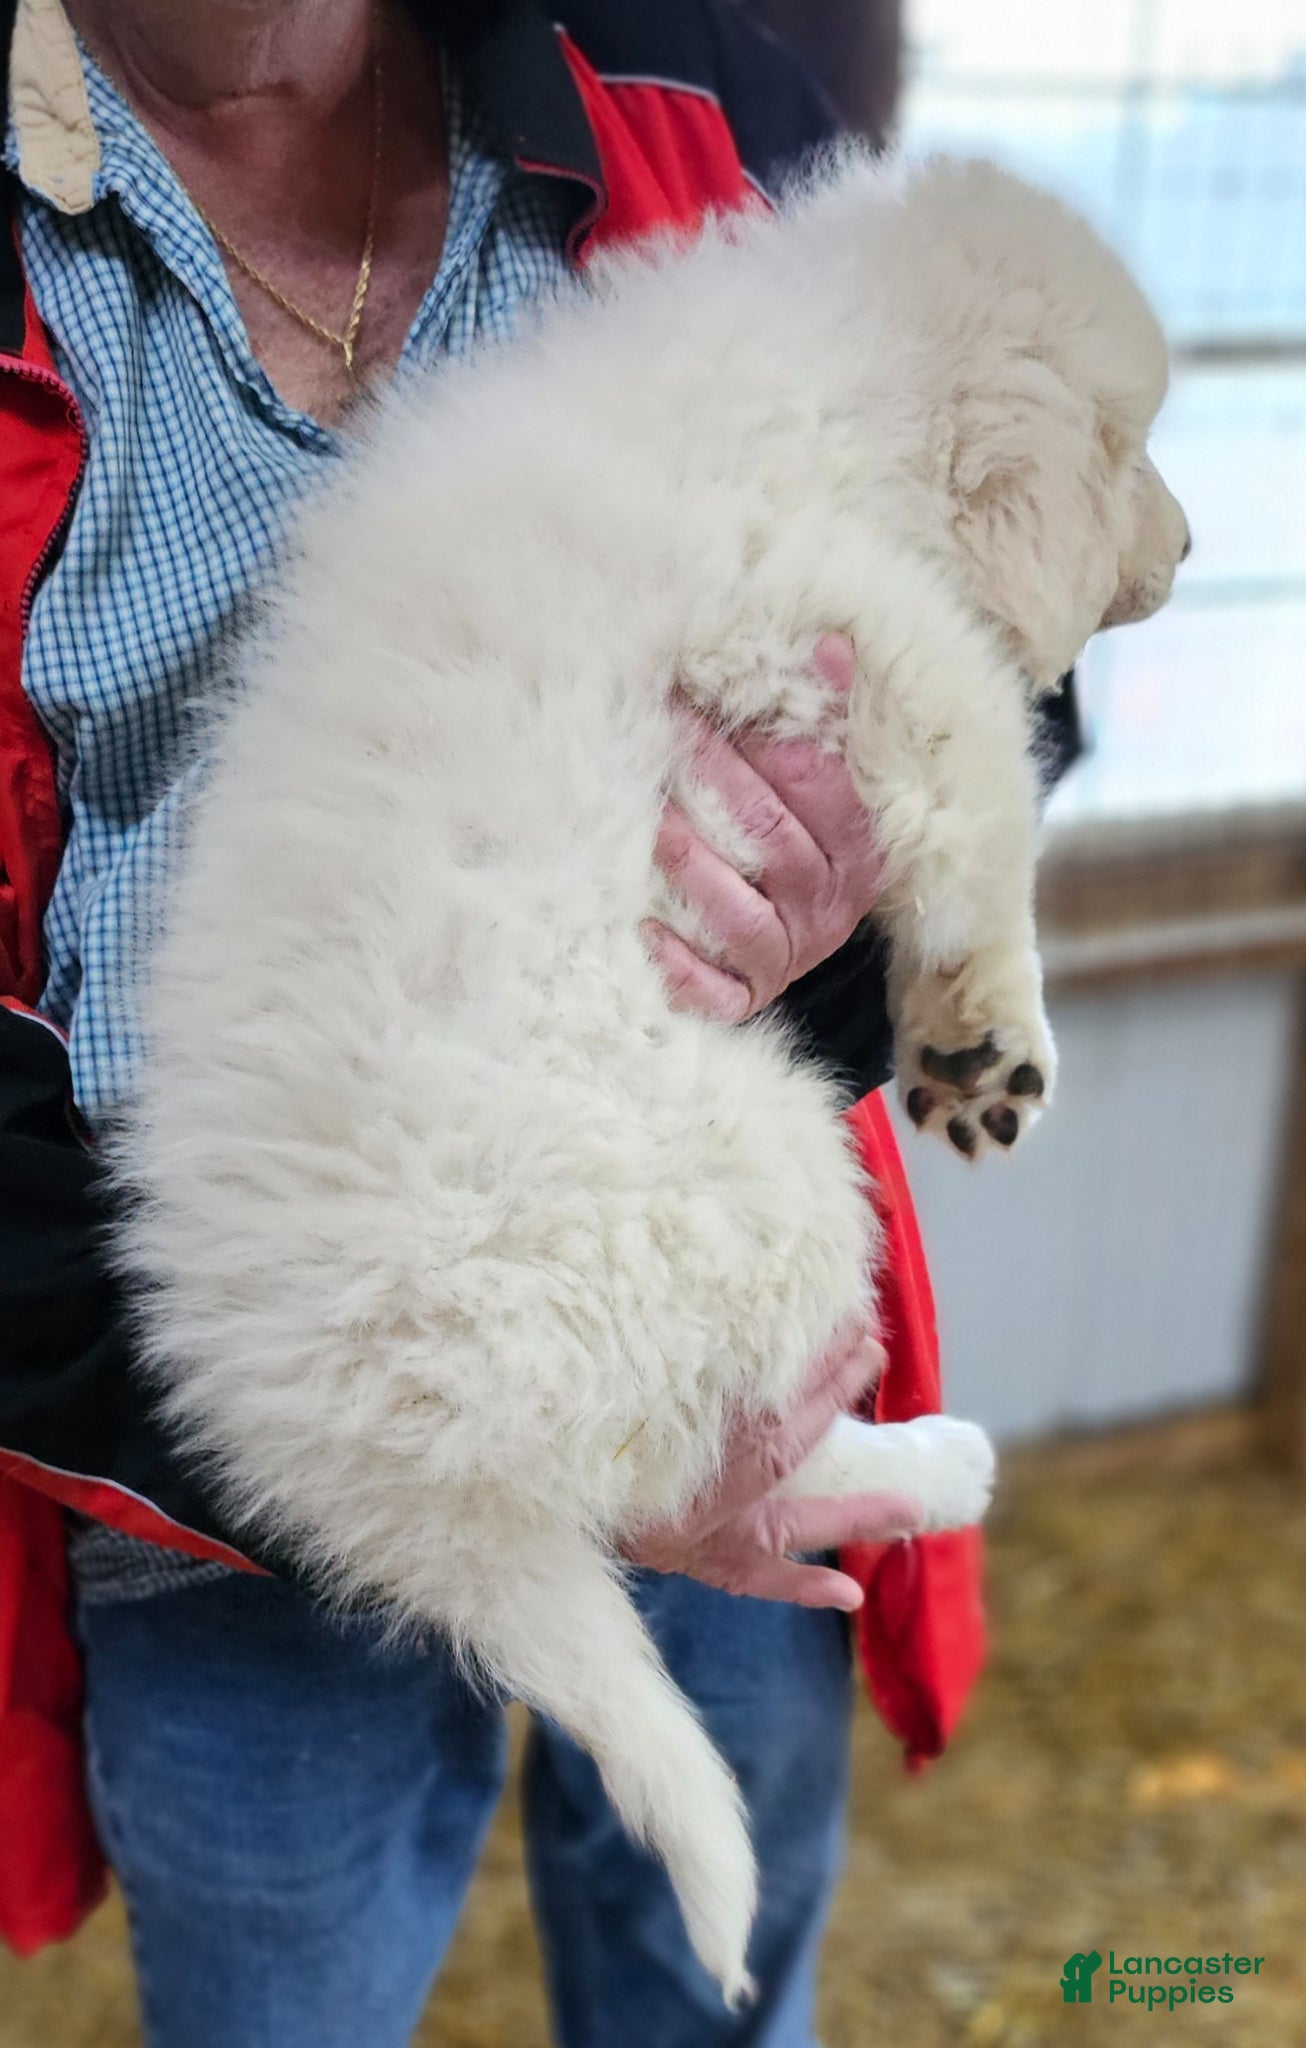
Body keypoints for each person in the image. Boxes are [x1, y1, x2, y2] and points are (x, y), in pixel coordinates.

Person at [0, 2, 989, 2041]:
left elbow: (983, 568)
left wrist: (849, 904)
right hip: (232, 1412)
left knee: (713, 1968)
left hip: (714, 1308)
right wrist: (455, 1431)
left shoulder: (690, 85)